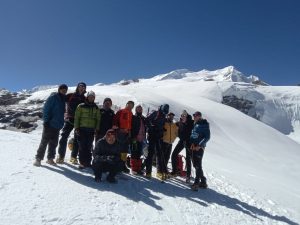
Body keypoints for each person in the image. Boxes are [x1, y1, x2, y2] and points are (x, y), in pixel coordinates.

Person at [33, 84, 68, 166]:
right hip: (49, 124)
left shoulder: (63, 100)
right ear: (59, 89)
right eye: (62, 89)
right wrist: (46, 121)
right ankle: (38, 159)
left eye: (65, 90)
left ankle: (50, 159)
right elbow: (46, 109)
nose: (64, 91)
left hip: (57, 125)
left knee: (54, 143)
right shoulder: (53, 97)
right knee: (44, 141)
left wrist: (61, 123)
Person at [56, 82, 86, 164]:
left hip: (79, 122)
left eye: (83, 87)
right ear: (78, 87)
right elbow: (60, 99)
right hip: (69, 119)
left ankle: (73, 157)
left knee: (77, 139)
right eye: (80, 86)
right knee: (63, 137)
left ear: (85, 89)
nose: (82, 88)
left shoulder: (85, 99)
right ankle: (61, 156)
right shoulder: (70, 95)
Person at [74, 90, 100, 169]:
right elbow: (77, 117)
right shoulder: (81, 106)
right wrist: (76, 128)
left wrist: (96, 129)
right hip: (82, 129)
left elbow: (98, 119)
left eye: (93, 97)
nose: (91, 98)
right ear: (87, 97)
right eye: (90, 96)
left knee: (89, 146)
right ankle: (82, 163)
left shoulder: (96, 107)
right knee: (82, 146)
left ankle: (88, 162)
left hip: (91, 130)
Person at [144, 104, 169, 179]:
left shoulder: (163, 115)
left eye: (166, 112)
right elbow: (147, 120)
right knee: (150, 154)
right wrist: (151, 128)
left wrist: (162, 129)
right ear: (161, 109)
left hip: (159, 136)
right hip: (152, 136)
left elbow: (162, 124)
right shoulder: (155, 113)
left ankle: (159, 172)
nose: (165, 113)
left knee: (159, 154)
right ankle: (148, 172)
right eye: (164, 111)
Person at [171, 110, 194, 183]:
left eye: (184, 115)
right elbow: (173, 125)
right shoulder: (180, 122)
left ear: (187, 116)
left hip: (188, 142)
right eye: (182, 115)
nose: (183, 117)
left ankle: (188, 176)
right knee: (174, 154)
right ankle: (174, 171)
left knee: (188, 158)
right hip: (181, 141)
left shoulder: (191, 122)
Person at [190, 111, 210, 191]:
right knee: (196, 165)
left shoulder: (204, 125)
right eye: (194, 115)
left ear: (199, 116)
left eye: (195, 116)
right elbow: (194, 134)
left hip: (199, 148)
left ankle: (196, 183)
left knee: (197, 165)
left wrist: (200, 145)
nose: (194, 117)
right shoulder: (196, 123)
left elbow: (207, 137)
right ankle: (203, 181)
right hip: (193, 147)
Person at [113, 100, 135, 173]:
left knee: (125, 150)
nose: (130, 106)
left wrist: (129, 133)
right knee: (119, 149)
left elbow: (131, 124)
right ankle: (117, 165)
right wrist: (118, 130)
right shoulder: (121, 111)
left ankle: (123, 165)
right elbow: (115, 121)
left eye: (132, 105)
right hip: (120, 133)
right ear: (126, 104)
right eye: (129, 104)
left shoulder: (131, 113)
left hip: (127, 133)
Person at [130, 105, 146, 175]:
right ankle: (134, 169)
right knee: (134, 153)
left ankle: (138, 169)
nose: (140, 110)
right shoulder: (133, 117)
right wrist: (132, 136)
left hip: (141, 139)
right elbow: (131, 127)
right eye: (138, 109)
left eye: (141, 109)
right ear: (136, 110)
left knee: (139, 153)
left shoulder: (143, 118)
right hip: (134, 138)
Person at [161, 112, 178, 176]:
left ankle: (165, 170)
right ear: (167, 116)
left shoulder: (174, 125)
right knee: (163, 157)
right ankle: (161, 170)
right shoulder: (164, 123)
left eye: (172, 116)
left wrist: (173, 138)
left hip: (170, 143)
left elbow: (176, 133)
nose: (171, 117)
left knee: (167, 157)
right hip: (164, 142)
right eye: (170, 116)